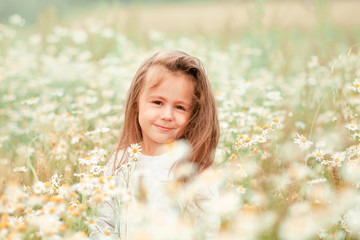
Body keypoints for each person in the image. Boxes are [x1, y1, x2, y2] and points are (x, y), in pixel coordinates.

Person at [90, 50, 220, 240]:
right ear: (137, 103)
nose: (167, 115)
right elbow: (103, 224)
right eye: (158, 102)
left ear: (192, 116)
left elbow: (208, 231)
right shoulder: (120, 162)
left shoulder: (193, 170)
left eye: (180, 107)